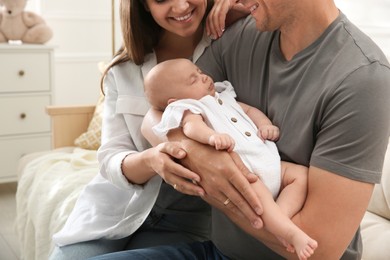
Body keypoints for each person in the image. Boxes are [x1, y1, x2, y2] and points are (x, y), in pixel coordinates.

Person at [87, 0, 390, 259]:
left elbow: (318, 250)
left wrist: (220, 182)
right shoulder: (243, 36)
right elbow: (158, 113)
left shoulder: (363, 79)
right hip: (219, 252)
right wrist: (198, 155)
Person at [48, 0, 249, 259]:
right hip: (112, 212)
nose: (180, 6)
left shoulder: (233, 47)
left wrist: (246, 9)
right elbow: (111, 156)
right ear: (143, 5)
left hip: (186, 221)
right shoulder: (123, 69)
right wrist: (151, 161)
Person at [144, 58, 318, 259]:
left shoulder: (223, 96)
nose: (204, 77)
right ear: (175, 101)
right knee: (258, 199)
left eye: (199, 71)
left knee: (301, 175)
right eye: (193, 80)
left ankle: (281, 218)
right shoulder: (190, 109)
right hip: (247, 172)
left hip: (270, 162)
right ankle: (290, 233)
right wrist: (211, 137)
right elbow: (191, 128)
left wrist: (264, 124)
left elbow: (249, 111)